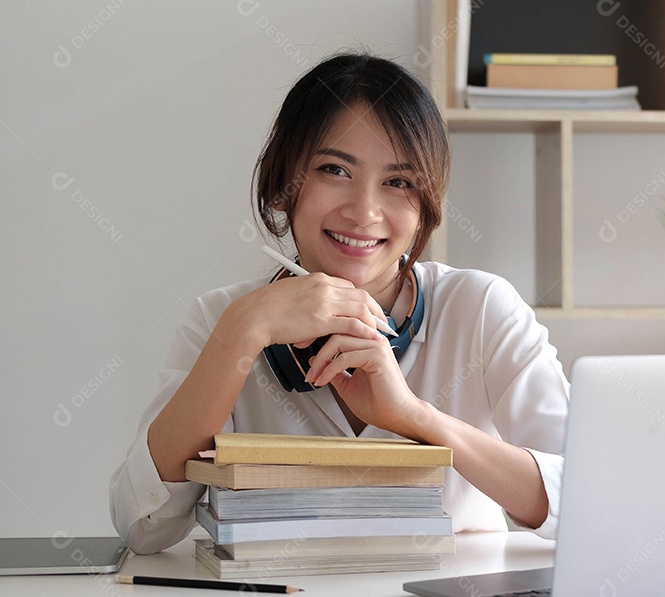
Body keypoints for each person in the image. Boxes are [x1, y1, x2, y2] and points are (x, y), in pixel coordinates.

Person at [109, 52, 570, 555]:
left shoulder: (480, 308)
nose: (364, 212)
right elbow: (144, 526)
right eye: (334, 169)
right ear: (284, 185)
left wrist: (415, 417)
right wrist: (241, 333)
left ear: (426, 205)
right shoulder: (223, 319)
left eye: (398, 182)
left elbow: (588, 498)